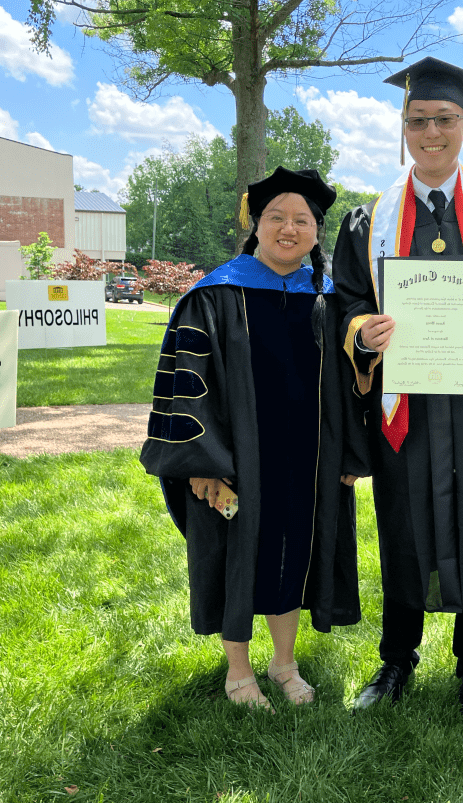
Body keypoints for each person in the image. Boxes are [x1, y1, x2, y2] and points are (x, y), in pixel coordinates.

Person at [332, 57, 463, 728]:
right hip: (407, 408)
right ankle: (397, 658)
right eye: (418, 120)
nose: (431, 131)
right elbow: (347, 303)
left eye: (444, 119)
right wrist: (365, 330)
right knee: (402, 525)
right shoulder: (368, 221)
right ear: (404, 127)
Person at [140, 167, 368, 710]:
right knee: (238, 553)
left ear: (317, 230)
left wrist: (349, 452)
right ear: (256, 225)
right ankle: (238, 671)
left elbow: (348, 382)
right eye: (276, 218)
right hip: (235, 459)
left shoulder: (330, 299)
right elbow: (185, 383)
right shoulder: (214, 295)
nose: (289, 229)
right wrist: (201, 461)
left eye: (303, 220)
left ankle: (283, 662)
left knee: (296, 551)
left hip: (307, 458)